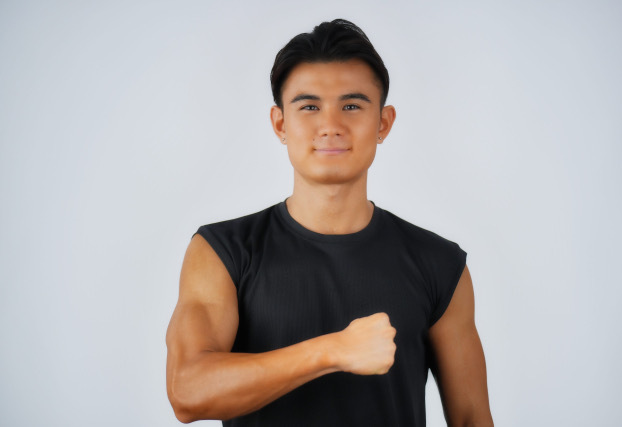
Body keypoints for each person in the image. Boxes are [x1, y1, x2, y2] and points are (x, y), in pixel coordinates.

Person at [166, 19, 493, 427]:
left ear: (383, 123)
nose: (331, 126)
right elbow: (188, 392)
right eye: (309, 107)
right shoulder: (222, 252)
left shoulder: (440, 264)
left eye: (352, 106)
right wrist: (333, 351)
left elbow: (472, 418)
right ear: (281, 124)